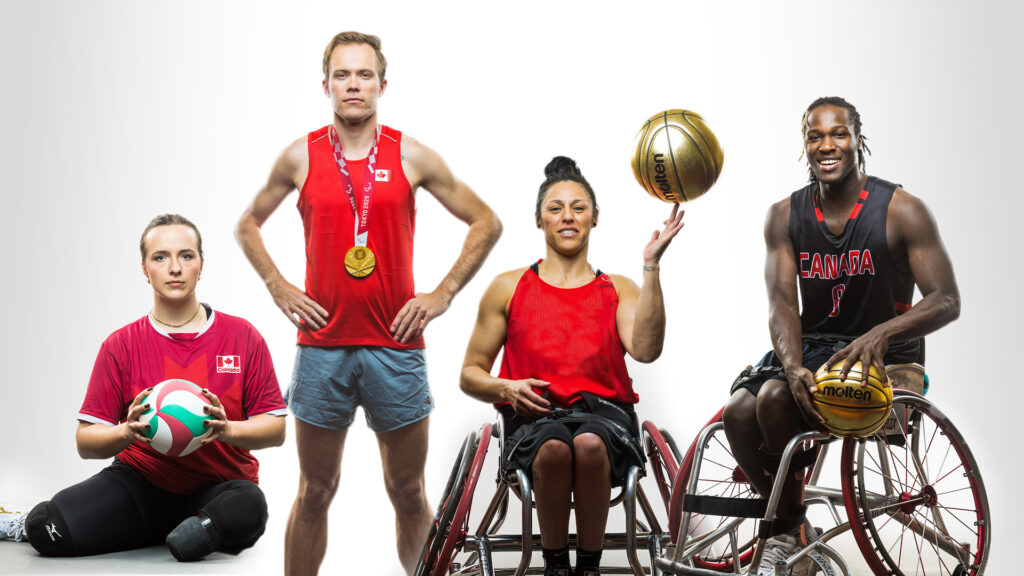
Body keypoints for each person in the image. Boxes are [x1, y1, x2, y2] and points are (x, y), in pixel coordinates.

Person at [235, 31, 502, 575]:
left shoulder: (411, 155)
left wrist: (443, 292)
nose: (352, 85)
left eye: (363, 75)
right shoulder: (300, 155)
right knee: (314, 490)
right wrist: (278, 285)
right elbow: (247, 225)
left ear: (382, 84)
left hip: (396, 346)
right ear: (326, 85)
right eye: (341, 75)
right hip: (322, 349)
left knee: (407, 491)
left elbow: (486, 222)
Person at [722, 97, 960, 575]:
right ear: (804, 146)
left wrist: (881, 334)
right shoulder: (784, 215)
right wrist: (792, 367)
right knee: (739, 413)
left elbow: (946, 299)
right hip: (816, 345)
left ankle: (784, 533)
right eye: (815, 136)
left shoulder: (901, 210)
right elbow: (783, 303)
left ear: (858, 139)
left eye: (839, 133)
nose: (826, 145)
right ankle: (790, 529)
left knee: (771, 401)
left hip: (886, 352)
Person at [0, 214, 287, 561]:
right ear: (144, 269)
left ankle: (189, 529)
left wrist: (227, 430)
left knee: (249, 506)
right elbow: (86, 442)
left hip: (217, 488)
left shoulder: (242, 336)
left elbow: (275, 430)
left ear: (201, 265)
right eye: (160, 257)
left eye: (186, 255)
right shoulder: (121, 345)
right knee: (47, 528)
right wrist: (127, 432)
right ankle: (168, 529)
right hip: (140, 485)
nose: (175, 268)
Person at [460, 157, 685, 576]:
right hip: (533, 417)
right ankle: (556, 566)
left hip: (605, 418)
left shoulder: (618, 288)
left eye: (579, 208)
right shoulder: (509, 287)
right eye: (556, 208)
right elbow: (470, 373)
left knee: (588, 444)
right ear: (539, 219)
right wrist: (506, 389)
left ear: (595, 218)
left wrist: (651, 265)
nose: (568, 216)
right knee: (554, 448)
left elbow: (647, 350)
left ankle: (589, 567)